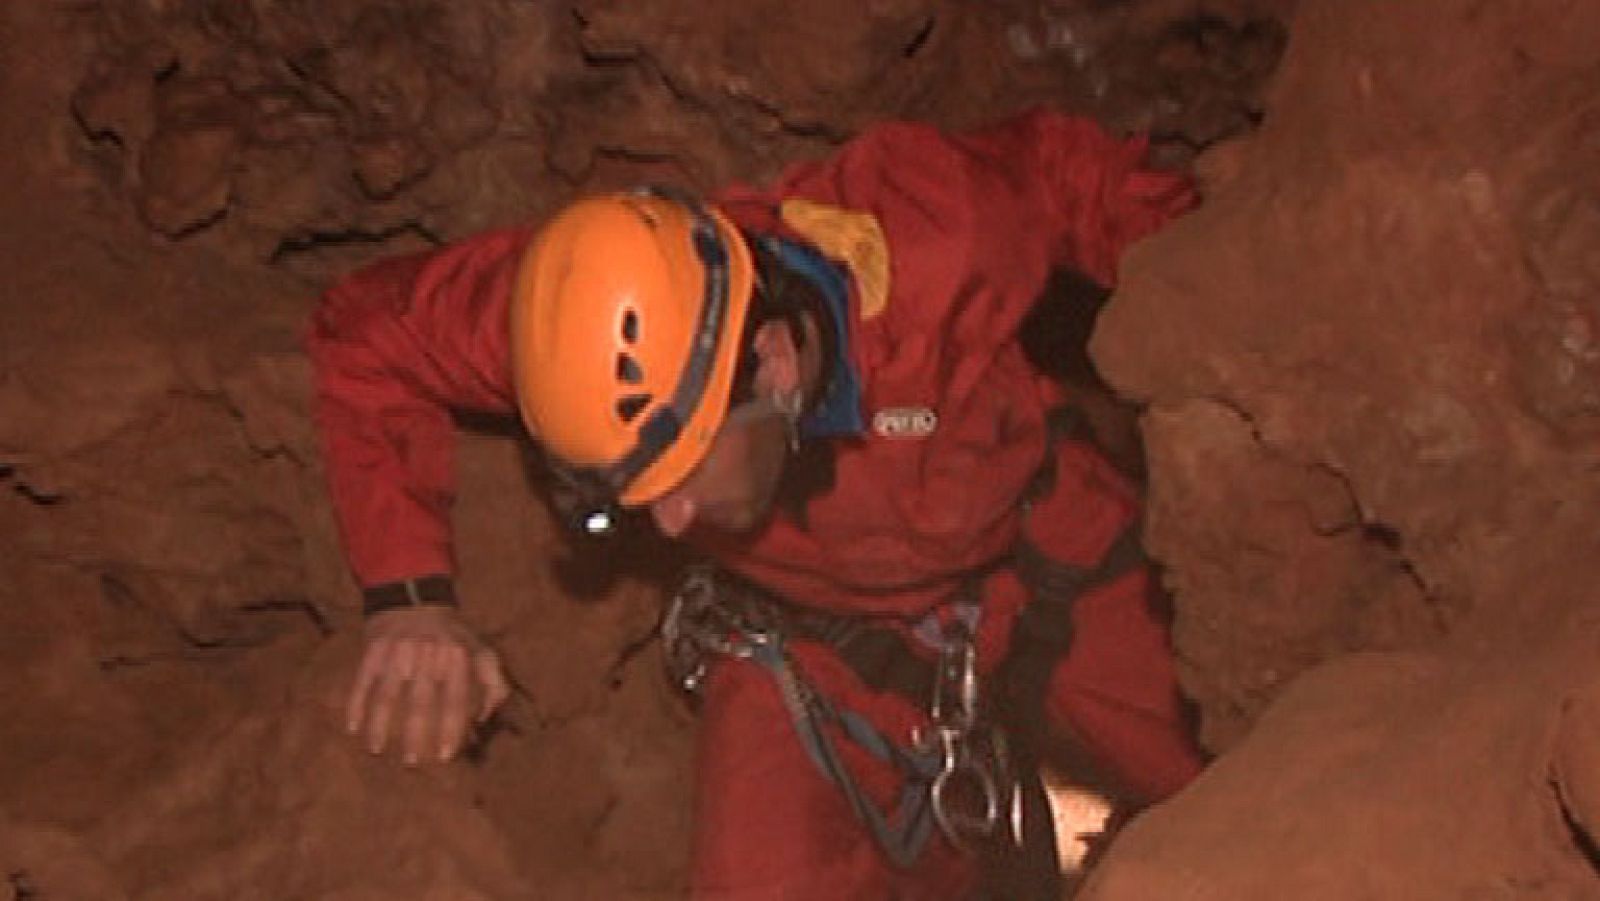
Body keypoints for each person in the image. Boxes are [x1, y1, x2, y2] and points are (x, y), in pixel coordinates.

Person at [308, 107, 1204, 899]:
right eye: (627, 497)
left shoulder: (934, 237)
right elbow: (366, 330)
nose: (669, 525)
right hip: (813, 643)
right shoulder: (570, 328)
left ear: (772, 361)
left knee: (1256, 792)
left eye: (685, 470)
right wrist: (408, 597)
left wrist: (1221, 328)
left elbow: (1067, 176)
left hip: (1050, 561)